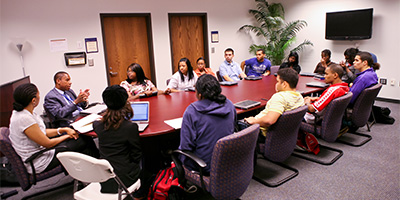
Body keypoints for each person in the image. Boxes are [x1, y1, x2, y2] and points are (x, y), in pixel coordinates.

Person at [9, 83, 98, 174]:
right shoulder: (24, 119)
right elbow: (48, 143)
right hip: (40, 161)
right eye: (38, 94)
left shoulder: (23, 112)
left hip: (42, 151)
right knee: (83, 140)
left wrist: (62, 130)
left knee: (81, 141)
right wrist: (67, 136)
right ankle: (97, 169)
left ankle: (90, 171)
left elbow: (41, 132)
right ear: (34, 100)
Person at [93, 85, 149, 198]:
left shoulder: (97, 125)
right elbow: (136, 155)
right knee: (149, 162)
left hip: (104, 176)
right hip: (124, 179)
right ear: (125, 102)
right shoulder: (130, 127)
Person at [179, 74, 237, 173]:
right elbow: (234, 127)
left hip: (204, 165)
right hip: (228, 159)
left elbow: (186, 146)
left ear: (200, 94)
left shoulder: (192, 111)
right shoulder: (229, 104)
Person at [245, 68, 304, 139]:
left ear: (284, 84)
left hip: (260, 132)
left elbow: (269, 120)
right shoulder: (299, 97)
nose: (276, 84)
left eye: (277, 81)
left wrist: (254, 121)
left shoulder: (280, 97)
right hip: (284, 136)